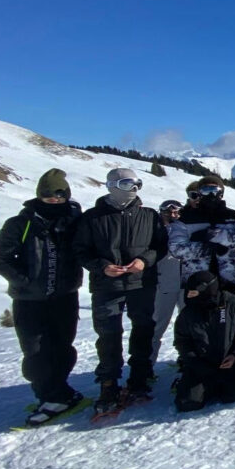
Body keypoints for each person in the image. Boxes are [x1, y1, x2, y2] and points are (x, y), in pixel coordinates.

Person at [0, 169, 85, 426]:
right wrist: (25, 281)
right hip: (29, 301)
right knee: (35, 350)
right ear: (39, 195)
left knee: (63, 346)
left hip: (65, 296)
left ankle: (60, 392)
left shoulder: (74, 221)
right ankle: (49, 395)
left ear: (67, 194)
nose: (54, 198)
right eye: (48, 194)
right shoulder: (22, 223)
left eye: (59, 193)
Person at [73, 167, 168, 411]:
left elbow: (160, 246)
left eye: (137, 184)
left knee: (143, 330)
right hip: (108, 284)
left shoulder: (149, 215)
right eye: (127, 184)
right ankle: (108, 383)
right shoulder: (92, 218)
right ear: (112, 185)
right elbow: (80, 250)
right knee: (108, 335)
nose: (134, 189)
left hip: (142, 282)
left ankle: (139, 377)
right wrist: (102, 266)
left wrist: (144, 261)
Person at [172, 271, 235, 412]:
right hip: (200, 367)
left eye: (194, 292)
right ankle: (193, 384)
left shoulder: (234, 303)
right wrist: (196, 363)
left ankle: (233, 377)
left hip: (227, 363)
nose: (190, 296)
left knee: (234, 395)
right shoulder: (189, 311)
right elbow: (182, 342)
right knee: (187, 403)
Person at [168, 175, 235, 294]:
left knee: (228, 310)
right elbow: (176, 249)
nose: (211, 195)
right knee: (196, 311)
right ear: (199, 193)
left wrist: (215, 236)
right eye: (206, 191)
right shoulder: (186, 219)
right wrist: (206, 247)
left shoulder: (232, 216)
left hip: (227, 278)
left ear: (221, 193)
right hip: (196, 279)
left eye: (215, 191)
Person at [149, 199, 183, 374]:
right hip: (164, 283)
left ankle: (185, 357)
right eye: (168, 212)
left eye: (176, 212)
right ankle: (147, 365)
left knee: (187, 322)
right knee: (157, 324)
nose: (172, 216)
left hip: (185, 283)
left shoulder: (185, 229)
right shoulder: (153, 232)